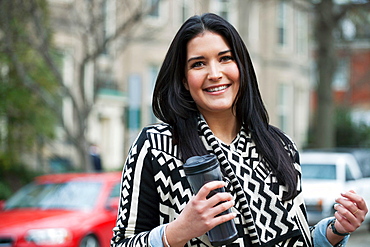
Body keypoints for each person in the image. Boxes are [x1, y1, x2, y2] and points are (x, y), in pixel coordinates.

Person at [111, 13, 368, 247]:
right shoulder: (156, 147)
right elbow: (122, 243)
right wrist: (178, 231)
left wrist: (335, 231)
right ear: (183, 80)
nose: (215, 73)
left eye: (225, 58)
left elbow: (297, 238)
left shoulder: (279, 146)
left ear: (242, 67)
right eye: (198, 64)